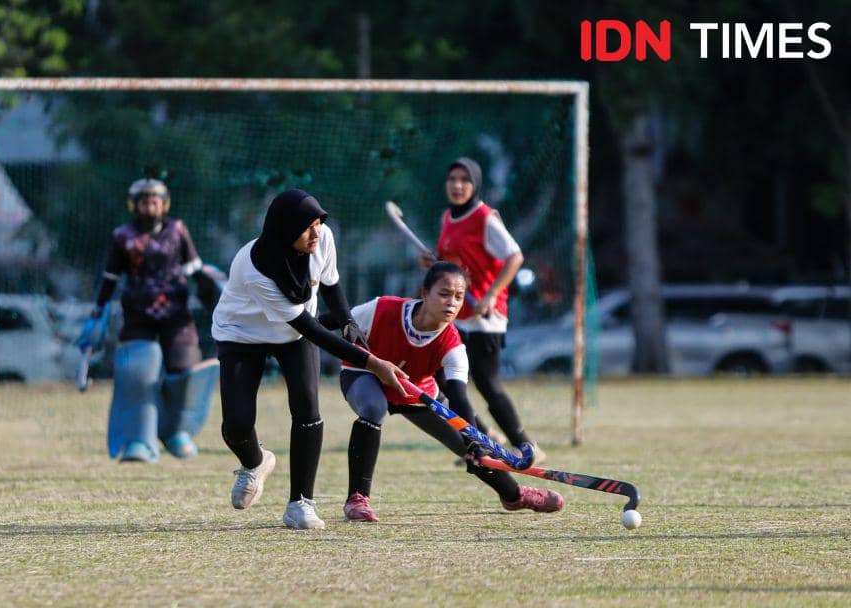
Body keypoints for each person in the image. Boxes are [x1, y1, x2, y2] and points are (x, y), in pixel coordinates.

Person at [212, 189, 408, 530]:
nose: (316, 233)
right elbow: (310, 327)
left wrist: (347, 320)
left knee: (307, 409)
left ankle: (300, 503)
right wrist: (372, 362)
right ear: (285, 229)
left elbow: (330, 285)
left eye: (318, 224)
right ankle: (255, 463)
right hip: (241, 334)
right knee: (236, 425)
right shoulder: (254, 267)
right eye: (307, 228)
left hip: (294, 336)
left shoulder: (322, 239)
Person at [332, 261, 563, 522]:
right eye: (444, 294)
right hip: (364, 372)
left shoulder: (453, 345)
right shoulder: (381, 308)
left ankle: (514, 495)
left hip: (415, 390)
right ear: (423, 293)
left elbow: (458, 398)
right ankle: (357, 499)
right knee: (374, 408)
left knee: (470, 443)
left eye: (458, 297)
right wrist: (298, 321)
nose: (451, 303)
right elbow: (339, 320)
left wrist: (474, 442)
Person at [89, 176, 222, 463]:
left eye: (154, 202)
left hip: (176, 314)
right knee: (138, 373)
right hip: (138, 315)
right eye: (144, 202)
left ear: (164, 205)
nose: (149, 207)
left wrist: (216, 292)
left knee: (186, 370)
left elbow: (194, 269)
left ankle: (176, 430)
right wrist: (97, 310)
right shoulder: (122, 236)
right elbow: (110, 278)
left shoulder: (177, 230)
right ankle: (139, 438)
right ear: (133, 205)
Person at [420, 157, 544, 463]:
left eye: (465, 179)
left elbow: (515, 256)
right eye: (452, 179)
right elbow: (454, 266)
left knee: (486, 382)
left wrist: (490, 295)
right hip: (458, 313)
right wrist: (434, 263)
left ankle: (527, 446)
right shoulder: (448, 217)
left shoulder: (485, 217)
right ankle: (480, 439)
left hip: (485, 316)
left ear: (475, 184)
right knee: (445, 379)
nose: (457, 185)